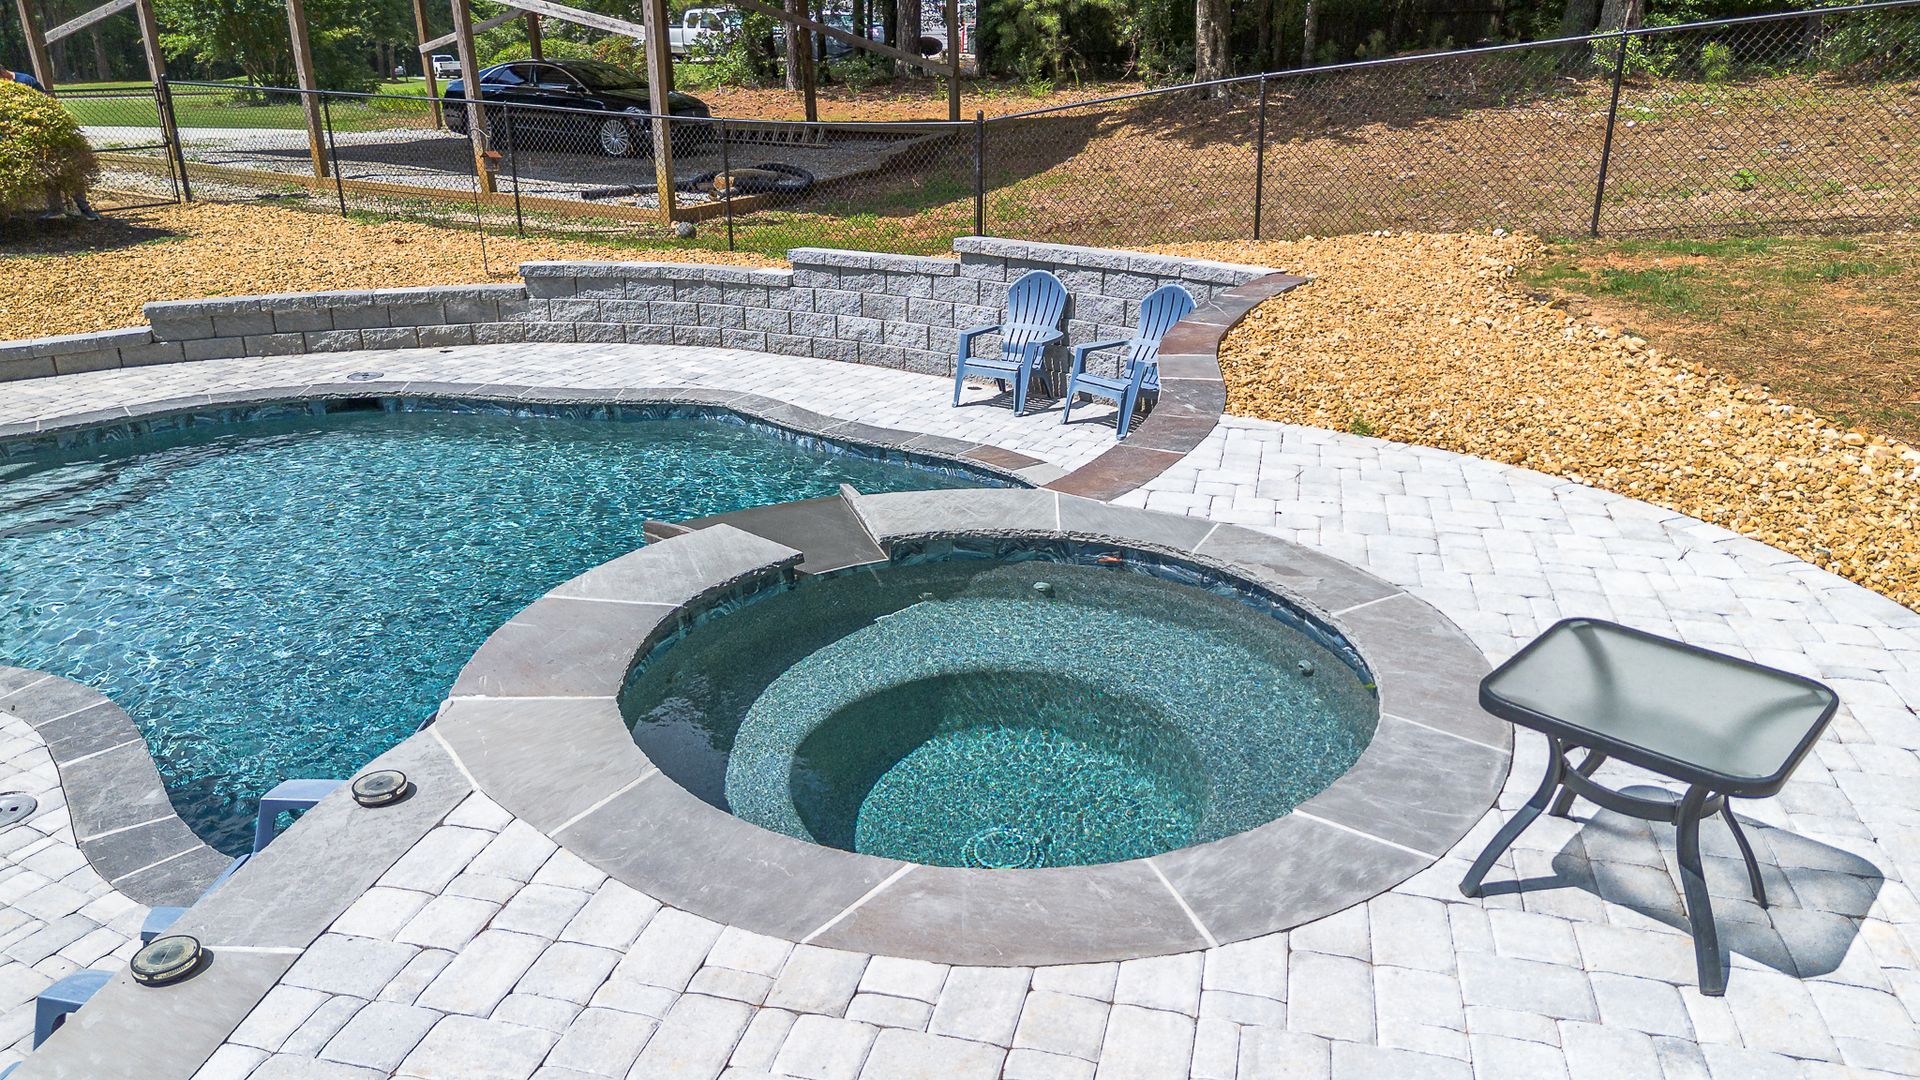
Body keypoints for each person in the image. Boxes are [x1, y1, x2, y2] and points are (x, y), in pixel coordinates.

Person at [0, 63, 101, 221]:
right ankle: (55, 210)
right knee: (47, 174)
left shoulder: (26, 81)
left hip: (49, 135)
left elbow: (47, 104)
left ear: (3, 73)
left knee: (69, 171)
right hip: (27, 140)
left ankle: (85, 209)